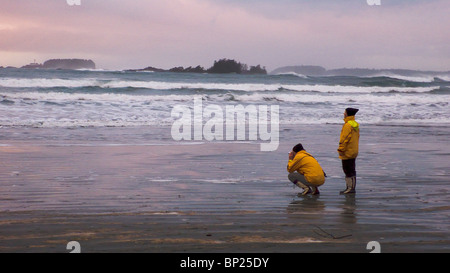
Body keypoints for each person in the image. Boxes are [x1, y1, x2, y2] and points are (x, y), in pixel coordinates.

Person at [338, 108, 360, 194]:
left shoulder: (347, 125)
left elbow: (344, 139)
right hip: (354, 150)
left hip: (347, 151)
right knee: (352, 169)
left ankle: (349, 188)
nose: (344, 113)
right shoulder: (355, 125)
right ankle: (351, 188)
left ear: (347, 114)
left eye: (345, 112)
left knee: (347, 170)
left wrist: (341, 149)